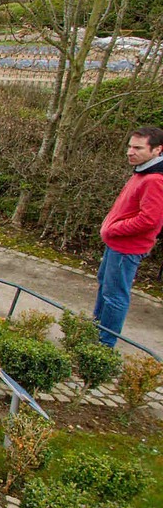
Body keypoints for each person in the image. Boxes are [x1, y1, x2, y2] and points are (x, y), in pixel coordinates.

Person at [93, 125, 163, 346]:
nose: (130, 152)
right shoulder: (143, 171)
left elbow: (150, 220)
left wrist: (113, 229)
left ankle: (103, 345)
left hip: (126, 248)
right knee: (105, 287)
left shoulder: (154, 180)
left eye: (138, 148)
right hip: (116, 245)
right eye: (130, 146)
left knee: (115, 297)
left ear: (157, 150)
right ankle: (92, 332)